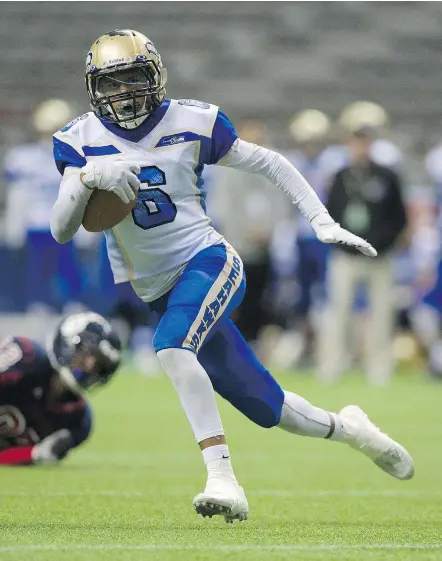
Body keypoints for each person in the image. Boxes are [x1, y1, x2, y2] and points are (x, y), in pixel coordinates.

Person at [50, 29, 414, 522]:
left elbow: (270, 162)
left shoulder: (191, 121)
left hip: (209, 260)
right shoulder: (79, 141)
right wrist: (87, 178)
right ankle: (353, 430)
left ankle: (222, 478)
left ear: (155, 77)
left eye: (134, 79)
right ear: (94, 89)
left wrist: (322, 221)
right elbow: (61, 230)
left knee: (171, 349)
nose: (124, 93)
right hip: (157, 288)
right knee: (273, 410)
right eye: (113, 84)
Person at [320, 126, 407, 385]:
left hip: (379, 256)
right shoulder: (340, 177)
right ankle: (333, 363)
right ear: (349, 146)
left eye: (365, 144)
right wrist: (344, 243)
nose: (360, 149)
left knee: (382, 312)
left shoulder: (386, 176)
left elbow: (398, 216)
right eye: (355, 144)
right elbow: (330, 213)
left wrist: (383, 243)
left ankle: (379, 366)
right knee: (339, 310)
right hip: (346, 255)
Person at [2, 99, 95, 313]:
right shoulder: (23, 158)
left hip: (66, 220)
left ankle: (73, 300)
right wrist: (14, 226)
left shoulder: (80, 156)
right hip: (37, 223)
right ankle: (37, 302)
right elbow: (18, 195)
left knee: (69, 268)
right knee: (36, 270)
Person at [207, 118, 290, 347]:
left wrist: (269, 229)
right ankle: (233, 345)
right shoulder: (228, 169)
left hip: (264, 247)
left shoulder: (271, 166)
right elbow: (225, 209)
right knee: (236, 300)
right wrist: (246, 231)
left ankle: (254, 343)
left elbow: (280, 202)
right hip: (238, 246)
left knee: (261, 298)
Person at [0, 312, 121, 466]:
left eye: (99, 364)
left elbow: (5, 456)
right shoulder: (26, 356)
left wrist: (33, 454)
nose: (90, 366)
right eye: (86, 352)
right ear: (67, 343)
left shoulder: (78, 419)